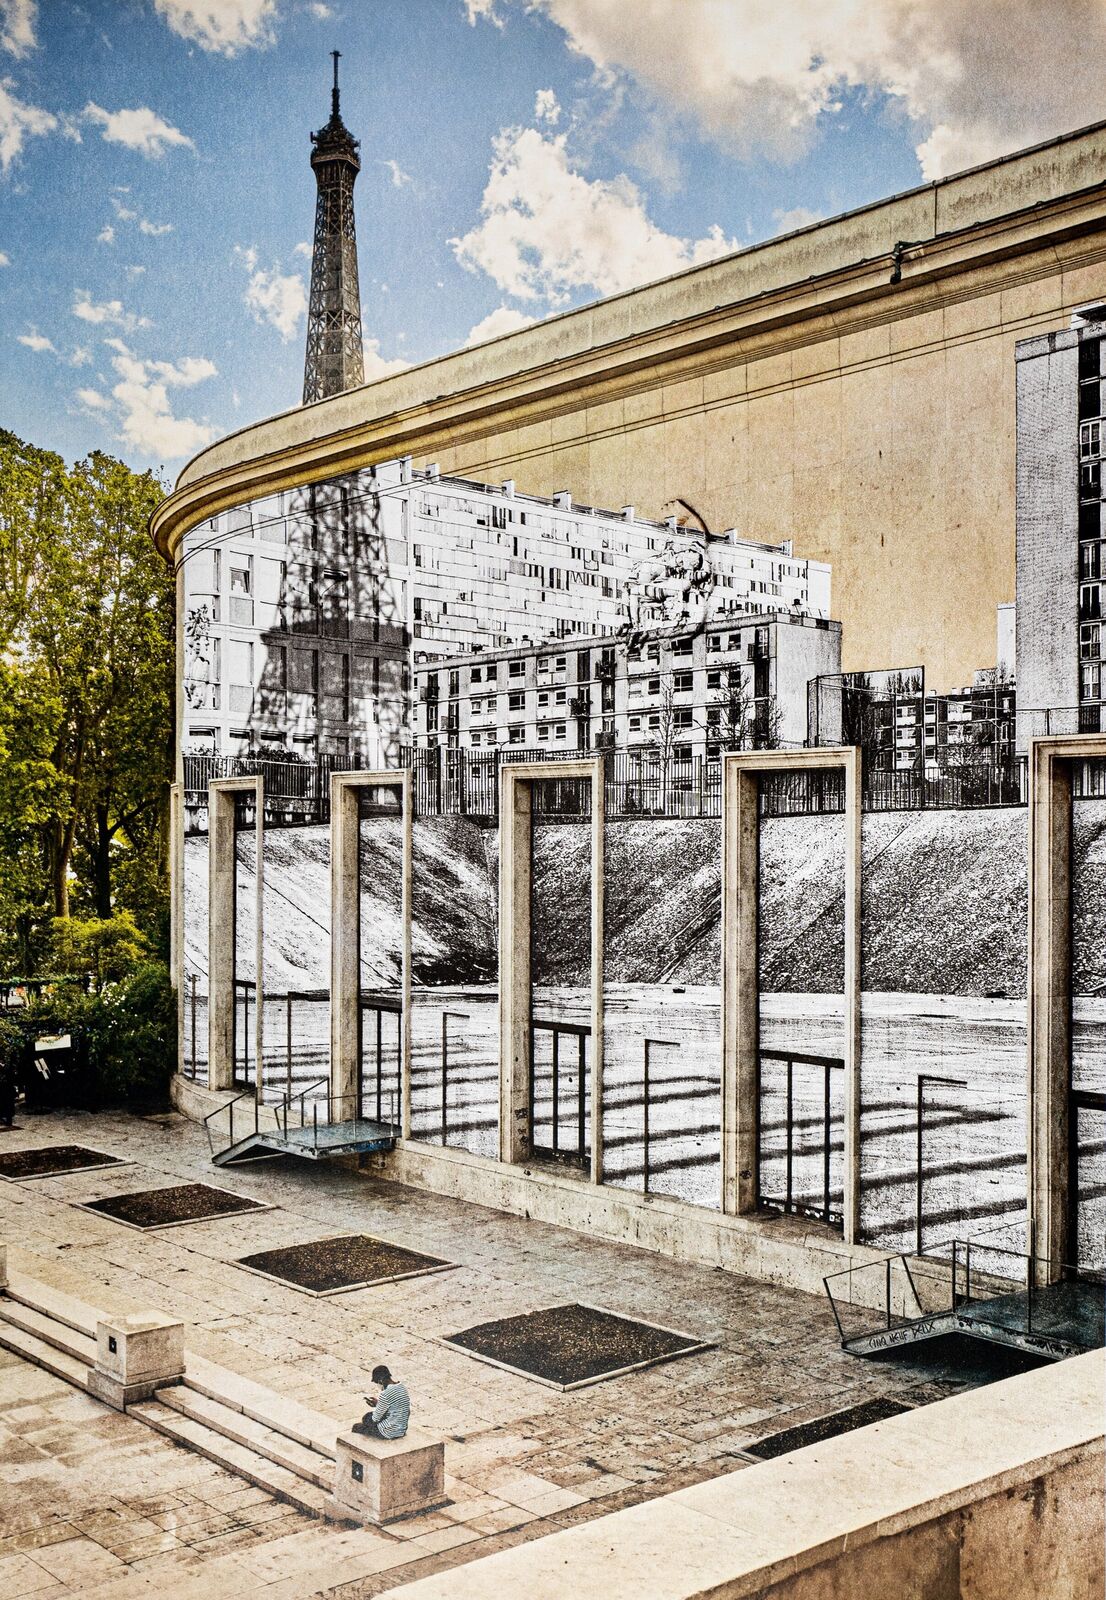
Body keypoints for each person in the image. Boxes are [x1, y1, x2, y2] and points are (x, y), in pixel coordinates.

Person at [353, 1365, 410, 1439]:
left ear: (380, 1380)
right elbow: (395, 1406)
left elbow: (375, 1419)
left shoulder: (385, 1394)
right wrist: (378, 1404)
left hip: (388, 1432)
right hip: (401, 1429)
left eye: (377, 1382)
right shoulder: (402, 1387)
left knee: (361, 1423)